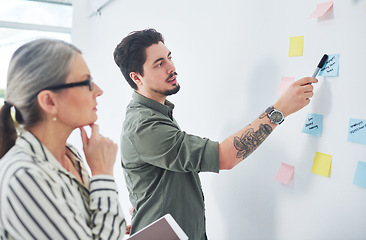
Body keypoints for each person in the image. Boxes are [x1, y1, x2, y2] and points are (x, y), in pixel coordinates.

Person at [113, 28, 318, 239]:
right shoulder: (145, 126)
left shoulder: (157, 112)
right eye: (159, 64)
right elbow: (224, 157)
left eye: (169, 58)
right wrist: (279, 110)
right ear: (137, 77)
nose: (172, 68)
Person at [0, 39, 126, 239]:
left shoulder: (70, 155)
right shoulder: (24, 176)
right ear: (49, 101)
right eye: (87, 83)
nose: (99, 91)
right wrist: (103, 175)